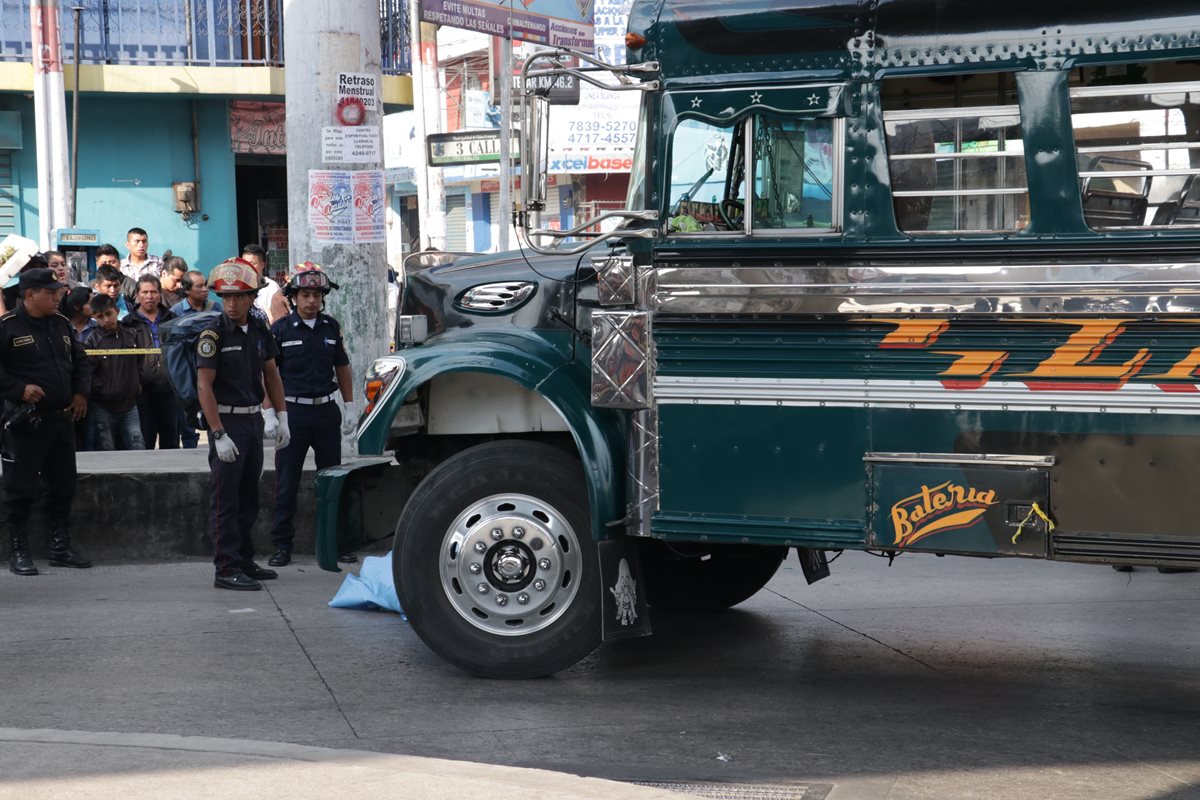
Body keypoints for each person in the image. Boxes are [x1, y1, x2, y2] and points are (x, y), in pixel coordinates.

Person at [196, 257, 289, 590]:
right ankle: (226, 567)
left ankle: (245, 560)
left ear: (253, 297)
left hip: (252, 421)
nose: (232, 304)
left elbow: (271, 374)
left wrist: (281, 415)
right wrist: (217, 433)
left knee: (249, 498)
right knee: (226, 500)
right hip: (227, 423)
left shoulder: (261, 328)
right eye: (226, 298)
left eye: (239, 297)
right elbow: (204, 386)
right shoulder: (214, 333)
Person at [0, 268, 91, 576]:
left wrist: (81, 393)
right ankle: (19, 550)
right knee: (19, 489)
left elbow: (81, 362)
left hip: (61, 419)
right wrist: (18, 390)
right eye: (50, 293)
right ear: (29, 295)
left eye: (58, 292)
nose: (57, 297)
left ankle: (59, 547)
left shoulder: (61, 324)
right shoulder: (7, 328)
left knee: (63, 486)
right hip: (26, 423)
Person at [267, 263, 356, 567]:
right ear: (293, 298)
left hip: (326, 413)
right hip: (292, 413)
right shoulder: (279, 330)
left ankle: (335, 543)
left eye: (317, 295)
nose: (312, 300)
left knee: (332, 481)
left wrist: (349, 404)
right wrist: (272, 414)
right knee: (286, 483)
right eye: (305, 294)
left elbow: (342, 367)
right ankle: (281, 546)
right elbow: (267, 374)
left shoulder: (331, 327)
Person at [85, 294, 145, 451]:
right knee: (107, 449)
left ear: (117, 311)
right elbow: (88, 373)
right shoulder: (92, 341)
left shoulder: (131, 335)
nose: (106, 320)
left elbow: (140, 361)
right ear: (93, 318)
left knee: (137, 446)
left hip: (130, 405)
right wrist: (104, 391)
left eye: (108, 314)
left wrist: (137, 383)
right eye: (100, 317)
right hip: (103, 407)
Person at [124, 274, 177, 449]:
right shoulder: (128, 323)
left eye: (153, 292)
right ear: (137, 295)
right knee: (145, 439)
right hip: (142, 391)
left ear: (159, 294)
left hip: (170, 388)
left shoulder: (172, 319)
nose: (149, 296)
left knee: (171, 440)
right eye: (145, 292)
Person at [241, 244, 288, 324]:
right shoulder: (239, 286)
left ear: (262, 265)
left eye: (252, 263)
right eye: (245, 264)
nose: (248, 267)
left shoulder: (271, 287)